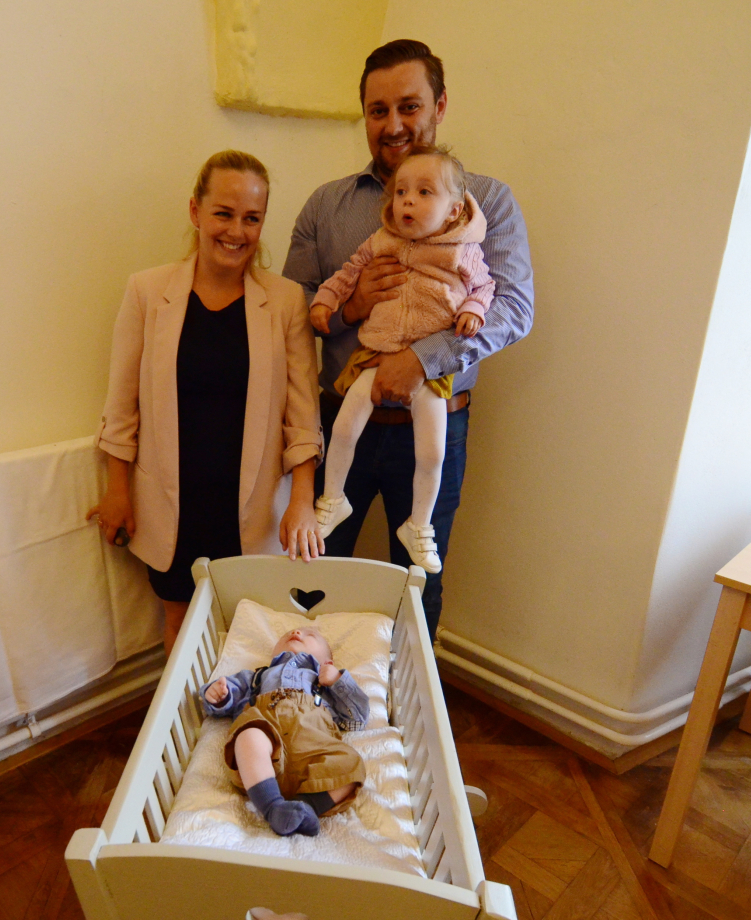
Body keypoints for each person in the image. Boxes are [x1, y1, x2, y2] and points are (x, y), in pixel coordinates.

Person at [283, 40, 534, 636]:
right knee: (310, 575)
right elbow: (292, 311)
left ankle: (405, 698)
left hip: (439, 421)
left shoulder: (486, 203)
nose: (393, 124)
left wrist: (422, 360)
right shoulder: (327, 206)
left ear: (440, 106)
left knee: (417, 586)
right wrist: (352, 307)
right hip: (340, 417)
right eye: (378, 110)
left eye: (409, 106)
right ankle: (306, 685)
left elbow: (513, 307)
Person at [89, 151, 324, 654]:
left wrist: (302, 501)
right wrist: (117, 490)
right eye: (224, 213)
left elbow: (303, 415)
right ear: (196, 211)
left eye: (252, 218)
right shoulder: (147, 292)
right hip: (170, 503)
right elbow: (122, 404)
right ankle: (186, 709)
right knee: (180, 623)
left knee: (252, 630)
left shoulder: (285, 301)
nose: (236, 231)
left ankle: (241, 710)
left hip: (254, 505)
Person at [309, 145, 493, 574]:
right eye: (401, 192)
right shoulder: (381, 240)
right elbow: (347, 273)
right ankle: (333, 499)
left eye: (424, 192)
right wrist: (327, 300)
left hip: (430, 373)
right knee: (344, 426)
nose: (408, 201)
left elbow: (486, 288)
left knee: (432, 451)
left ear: (453, 211)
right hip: (375, 351)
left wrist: (473, 310)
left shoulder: (462, 249)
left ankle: (419, 525)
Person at [202, 625, 369, 837]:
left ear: (328, 661)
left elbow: (357, 718)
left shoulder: (325, 682)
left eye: (310, 635)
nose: (296, 633)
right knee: (248, 735)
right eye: (288, 634)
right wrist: (217, 695)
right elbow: (226, 695)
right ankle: (272, 807)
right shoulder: (257, 676)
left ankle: (305, 808)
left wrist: (338, 681)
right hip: (266, 742)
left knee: (351, 764)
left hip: (314, 747)